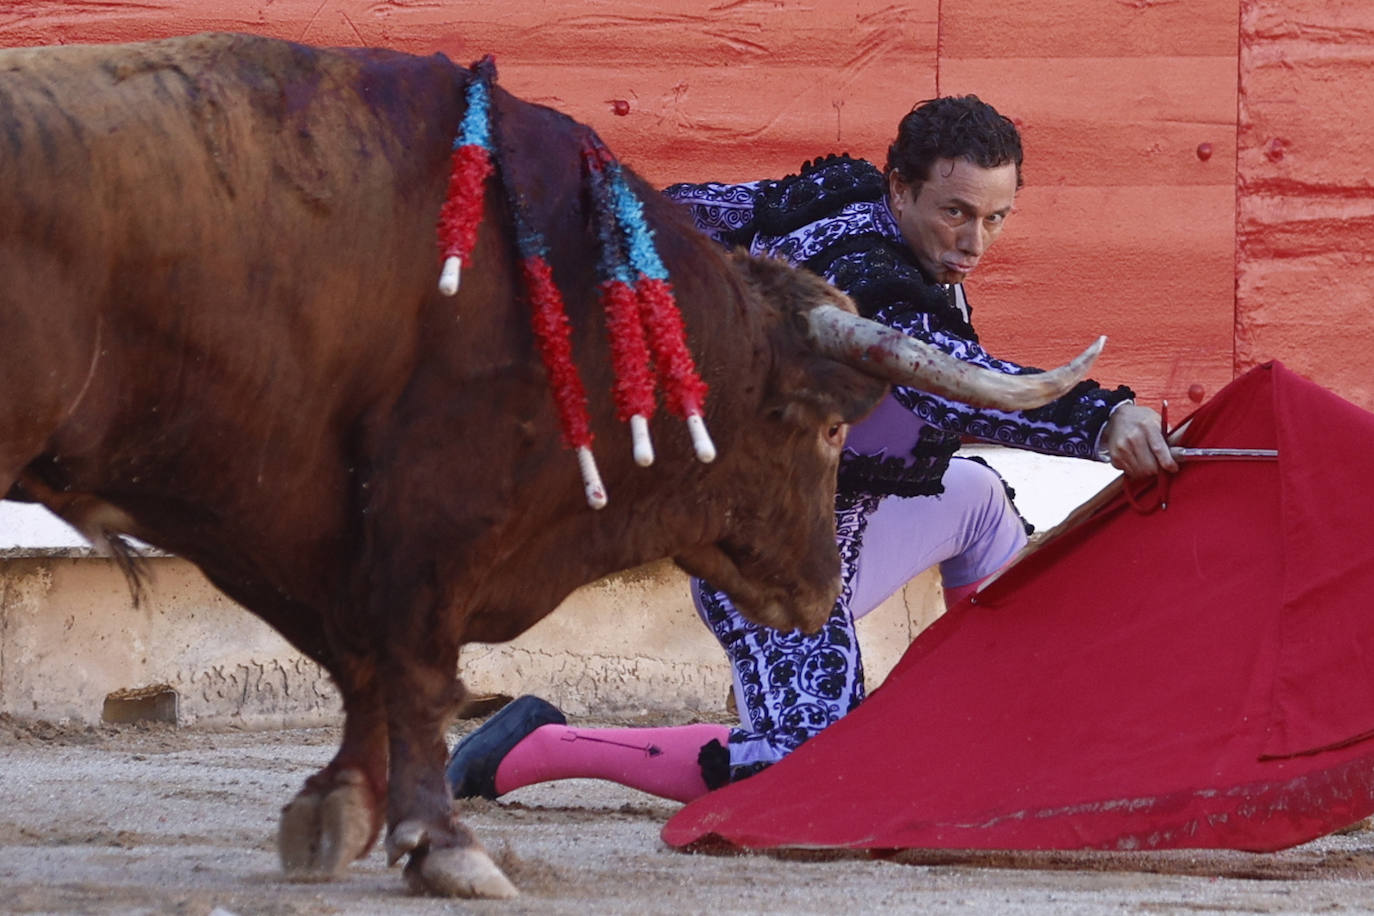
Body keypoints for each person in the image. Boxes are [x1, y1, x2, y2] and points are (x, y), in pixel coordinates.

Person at [446, 95, 1178, 804]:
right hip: (770, 546)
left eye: (995, 217)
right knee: (807, 768)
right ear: (899, 189)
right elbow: (947, 381)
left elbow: (675, 213)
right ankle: (532, 751)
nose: (973, 242)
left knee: (982, 501)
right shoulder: (868, 285)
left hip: (853, 509)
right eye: (953, 212)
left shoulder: (829, 203)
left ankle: (990, 727)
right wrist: (1096, 419)